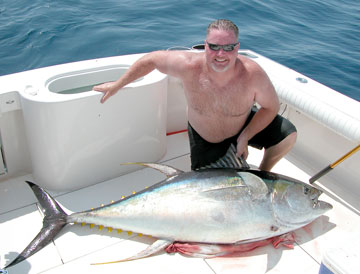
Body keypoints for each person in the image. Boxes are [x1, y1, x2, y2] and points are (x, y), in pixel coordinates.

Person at [93, 19, 297, 171]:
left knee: (288, 135)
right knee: (206, 191)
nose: (220, 54)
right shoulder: (188, 66)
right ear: (205, 46)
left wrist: (245, 136)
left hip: (241, 127)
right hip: (205, 138)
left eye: (228, 48)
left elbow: (271, 107)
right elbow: (152, 60)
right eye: (214, 47)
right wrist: (117, 85)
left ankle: (264, 175)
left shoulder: (253, 74)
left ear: (237, 48)